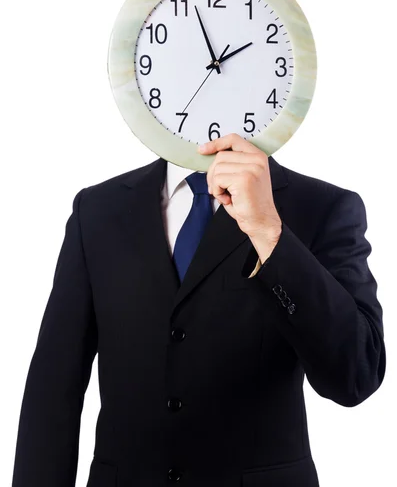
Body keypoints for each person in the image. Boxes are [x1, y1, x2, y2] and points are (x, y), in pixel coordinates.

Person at [11, 132, 386, 487]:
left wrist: (269, 233)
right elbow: (54, 383)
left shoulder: (324, 207)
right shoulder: (97, 209)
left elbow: (356, 375)